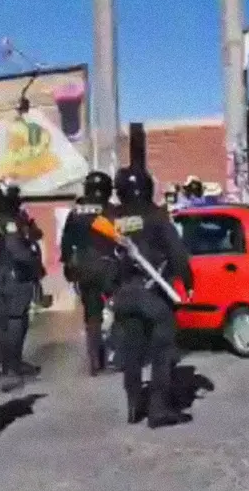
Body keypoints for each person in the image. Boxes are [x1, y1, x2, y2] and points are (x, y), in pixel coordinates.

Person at [109, 166, 194, 428]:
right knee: (162, 350)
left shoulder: (112, 219)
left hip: (124, 294)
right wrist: (188, 281)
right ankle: (158, 409)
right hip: (153, 294)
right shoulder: (156, 215)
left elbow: (104, 257)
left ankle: (134, 405)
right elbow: (177, 252)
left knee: (131, 352)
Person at [0, 181, 43, 392]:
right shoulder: (11, 221)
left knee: (0, 320)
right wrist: (34, 263)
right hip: (15, 275)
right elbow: (16, 249)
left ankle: (5, 364)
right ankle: (12, 367)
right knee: (16, 319)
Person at [60, 171, 117, 376]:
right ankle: (111, 355)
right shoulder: (111, 210)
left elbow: (66, 243)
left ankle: (95, 361)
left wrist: (68, 266)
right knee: (113, 309)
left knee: (91, 316)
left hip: (83, 268)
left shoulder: (75, 213)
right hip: (108, 266)